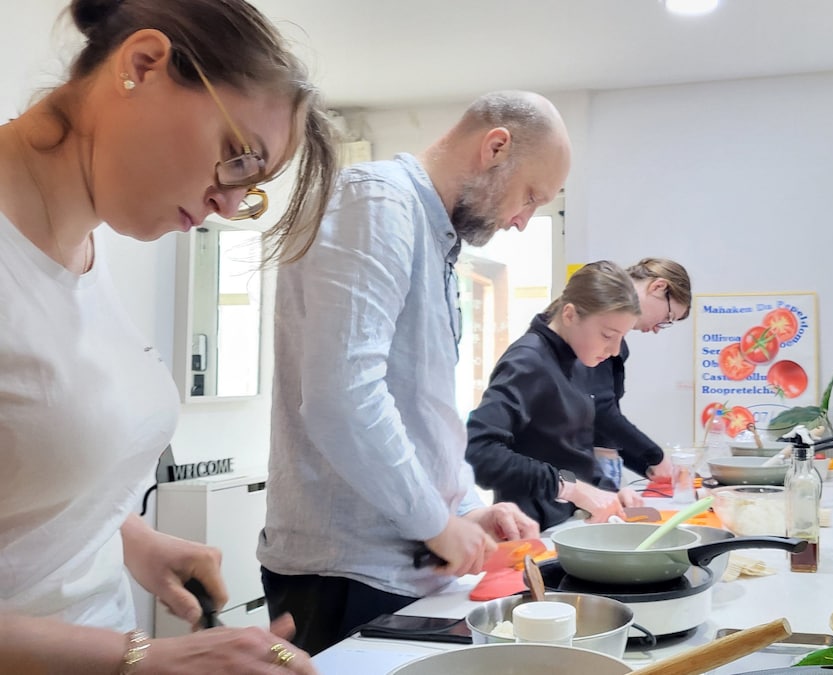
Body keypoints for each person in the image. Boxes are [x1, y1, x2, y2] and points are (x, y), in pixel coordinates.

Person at [0, 0, 338, 672]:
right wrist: (144, 656)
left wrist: (130, 538)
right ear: (144, 64)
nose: (230, 205)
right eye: (238, 158)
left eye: (253, 188)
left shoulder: (88, 253)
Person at [258, 90, 570, 655]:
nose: (523, 221)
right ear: (495, 147)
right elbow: (342, 399)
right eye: (530, 196)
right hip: (347, 574)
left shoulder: (435, 236)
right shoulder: (377, 202)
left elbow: (420, 411)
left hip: (403, 570)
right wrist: (436, 522)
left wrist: (471, 509)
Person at [466, 261, 649, 530]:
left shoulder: (578, 357)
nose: (614, 350)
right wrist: (571, 489)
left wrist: (605, 494)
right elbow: (478, 451)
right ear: (570, 314)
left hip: (567, 523)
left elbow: (571, 451)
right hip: (532, 531)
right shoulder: (528, 361)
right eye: (608, 335)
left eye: (621, 337)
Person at [587, 258, 693, 485]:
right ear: (658, 287)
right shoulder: (591, 329)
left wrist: (647, 465)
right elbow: (600, 410)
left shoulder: (617, 343)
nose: (657, 329)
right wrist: (655, 456)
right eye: (668, 318)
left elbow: (606, 420)